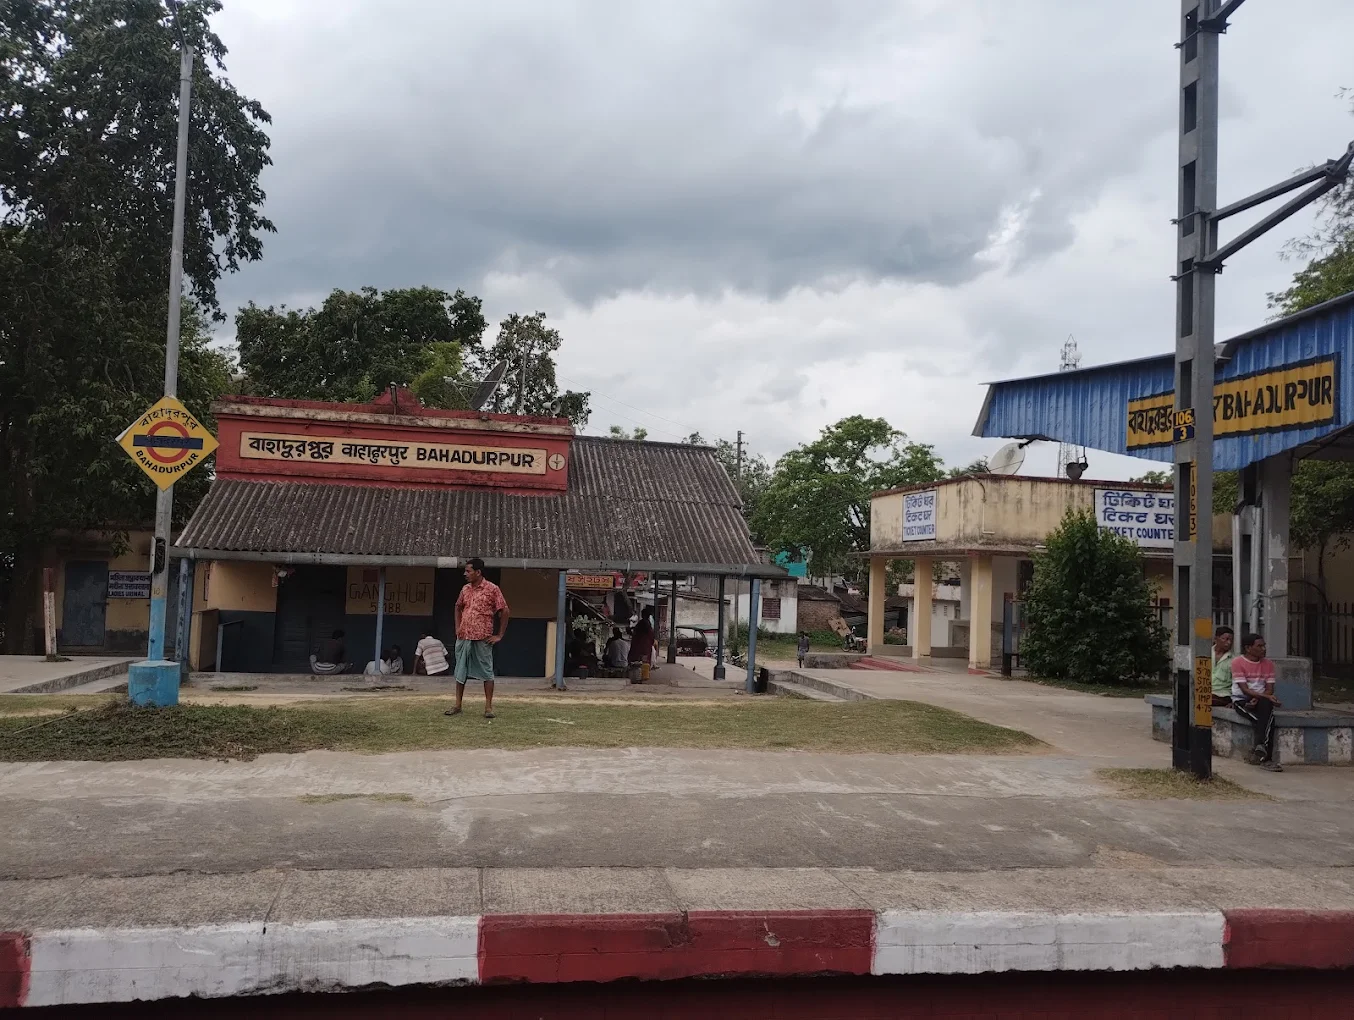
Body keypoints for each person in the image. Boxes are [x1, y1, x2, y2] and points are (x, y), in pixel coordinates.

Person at [447, 557, 509, 719]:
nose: (465, 574)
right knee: (460, 671)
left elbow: (504, 610)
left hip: (482, 638)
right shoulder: (465, 589)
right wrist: (457, 627)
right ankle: (458, 705)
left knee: (487, 672)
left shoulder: (492, 589)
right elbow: (457, 606)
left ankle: (488, 707)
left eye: (468, 571)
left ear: (478, 572)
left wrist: (499, 635)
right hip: (464, 636)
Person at [1231, 632, 1283, 772]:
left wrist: (1261, 697)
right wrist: (1261, 697)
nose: (1263, 649)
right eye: (1259, 646)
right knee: (1268, 722)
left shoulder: (1268, 664)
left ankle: (1260, 748)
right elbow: (1244, 689)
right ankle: (1266, 759)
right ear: (1248, 648)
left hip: (1261, 699)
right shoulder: (1237, 662)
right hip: (1242, 700)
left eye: (1264, 646)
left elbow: (1269, 689)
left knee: (1266, 714)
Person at [628, 607, 657, 680]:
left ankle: (640, 675)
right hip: (645, 644)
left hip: (641, 644)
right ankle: (643, 675)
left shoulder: (643, 622)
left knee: (639, 660)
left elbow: (637, 632)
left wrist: (631, 630)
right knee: (644, 660)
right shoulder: (647, 623)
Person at [1210, 626, 1234, 707]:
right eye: (1225, 639)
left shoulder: (1234, 660)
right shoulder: (1205, 654)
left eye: (1231, 640)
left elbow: (1237, 683)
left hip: (1223, 695)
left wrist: (1234, 700)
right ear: (1216, 639)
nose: (1229, 642)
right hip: (1204, 692)